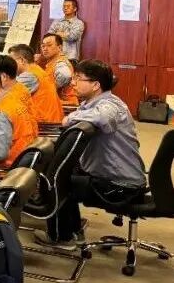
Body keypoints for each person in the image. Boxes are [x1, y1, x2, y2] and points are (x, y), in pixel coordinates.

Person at [36, 60, 146, 250]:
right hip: (112, 175)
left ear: (95, 85)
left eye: (78, 78)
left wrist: (70, 118)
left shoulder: (111, 105)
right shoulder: (93, 103)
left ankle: (61, 237)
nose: (73, 83)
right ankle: (73, 230)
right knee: (63, 171)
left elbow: (103, 118)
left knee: (56, 180)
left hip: (119, 185)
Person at [8, 44, 64, 123]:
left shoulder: (30, 76)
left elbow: (6, 95)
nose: (8, 65)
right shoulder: (36, 70)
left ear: (22, 60)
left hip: (44, 124)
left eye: (10, 61)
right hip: (48, 120)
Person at [40, 33, 78, 106]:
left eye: (49, 45)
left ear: (59, 47)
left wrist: (48, 90)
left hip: (66, 105)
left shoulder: (60, 62)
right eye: (43, 46)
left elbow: (65, 75)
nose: (45, 49)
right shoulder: (53, 61)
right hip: (58, 104)